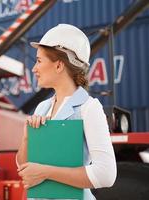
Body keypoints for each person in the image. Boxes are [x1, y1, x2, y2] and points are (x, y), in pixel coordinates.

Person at [16, 24, 117, 200]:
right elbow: (26, 170)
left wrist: (46, 172)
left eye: (39, 61)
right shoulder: (42, 108)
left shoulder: (89, 108)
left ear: (59, 66)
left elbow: (106, 174)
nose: (34, 69)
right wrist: (26, 138)